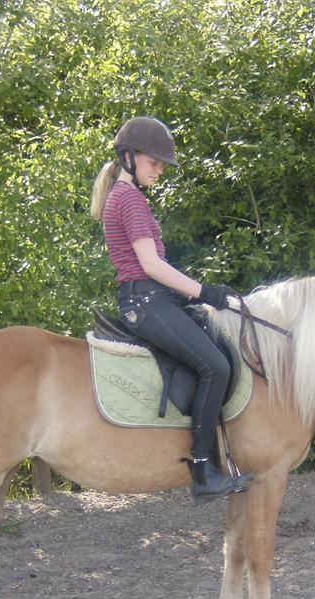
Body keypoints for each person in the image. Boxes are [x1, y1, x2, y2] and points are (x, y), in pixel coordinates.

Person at [90, 116, 253, 504]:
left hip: (153, 298)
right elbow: (151, 266)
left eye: (163, 164)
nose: (160, 169)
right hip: (145, 301)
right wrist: (205, 292)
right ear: (128, 157)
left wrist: (193, 295)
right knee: (216, 366)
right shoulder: (128, 198)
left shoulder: (129, 195)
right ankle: (201, 470)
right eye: (154, 162)